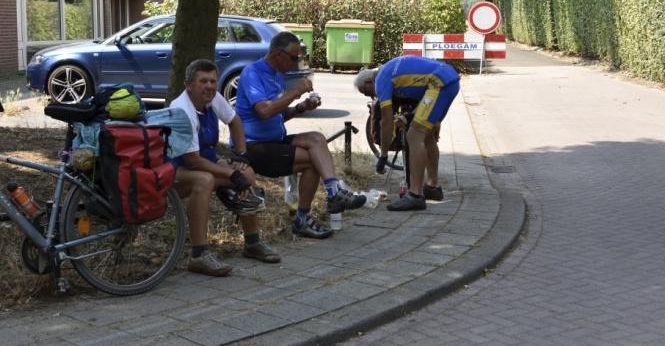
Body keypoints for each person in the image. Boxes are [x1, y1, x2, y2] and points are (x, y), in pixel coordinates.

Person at [235, 31, 366, 239]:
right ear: (278, 54)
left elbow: (277, 114)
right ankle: (303, 219)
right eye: (294, 57)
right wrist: (295, 92)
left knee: (316, 138)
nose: (297, 62)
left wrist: (301, 107)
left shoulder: (277, 74)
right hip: (253, 145)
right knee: (312, 161)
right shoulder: (253, 73)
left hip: (274, 140)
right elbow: (264, 111)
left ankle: (333, 191)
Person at [170, 59, 280, 277]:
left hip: (203, 164)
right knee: (204, 180)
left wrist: (241, 156)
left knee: (246, 172)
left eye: (213, 80)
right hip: (175, 171)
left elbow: (235, 120)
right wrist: (230, 174)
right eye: (203, 81)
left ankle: (252, 243)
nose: (209, 86)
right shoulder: (182, 110)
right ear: (188, 85)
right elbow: (192, 161)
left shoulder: (212, 98)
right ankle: (199, 255)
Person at [354, 55, 460, 211]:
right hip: (449, 80)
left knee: (414, 135)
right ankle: (432, 187)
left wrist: (383, 155)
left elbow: (386, 121)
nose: (372, 96)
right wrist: (407, 116)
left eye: (366, 92)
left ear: (369, 81)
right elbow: (423, 94)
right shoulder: (390, 70)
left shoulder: (381, 80)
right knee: (427, 135)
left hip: (439, 83)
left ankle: (415, 195)